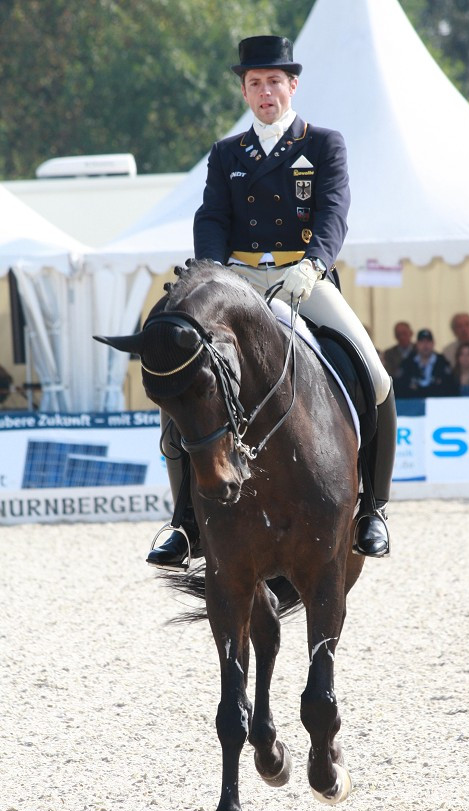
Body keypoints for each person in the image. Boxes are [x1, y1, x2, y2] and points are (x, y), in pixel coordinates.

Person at [147, 34, 396, 568]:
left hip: (303, 278)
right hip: (236, 281)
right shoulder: (226, 154)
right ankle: (184, 523)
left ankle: (372, 508)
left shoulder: (323, 143)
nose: (265, 92)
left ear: (292, 85)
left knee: (375, 377)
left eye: (274, 82)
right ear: (244, 91)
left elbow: (333, 212)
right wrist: (212, 272)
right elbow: (211, 217)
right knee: (189, 386)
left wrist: (312, 264)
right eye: (255, 83)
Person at [393, 329, 454, 399]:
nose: (425, 345)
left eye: (428, 342)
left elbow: (450, 386)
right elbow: (400, 386)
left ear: (433, 343)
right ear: (417, 344)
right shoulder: (408, 363)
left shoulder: (442, 362)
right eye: (422, 342)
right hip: (413, 404)